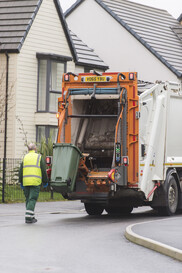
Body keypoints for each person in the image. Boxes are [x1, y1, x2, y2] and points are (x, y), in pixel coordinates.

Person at [19, 143, 48, 224]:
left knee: (28, 199)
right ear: (35, 148)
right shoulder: (39, 157)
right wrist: (45, 181)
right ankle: (28, 217)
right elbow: (43, 170)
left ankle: (31, 216)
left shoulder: (25, 157)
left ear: (28, 149)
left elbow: (21, 170)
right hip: (35, 181)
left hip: (26, 181)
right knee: (32, 199)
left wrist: (20, 181)